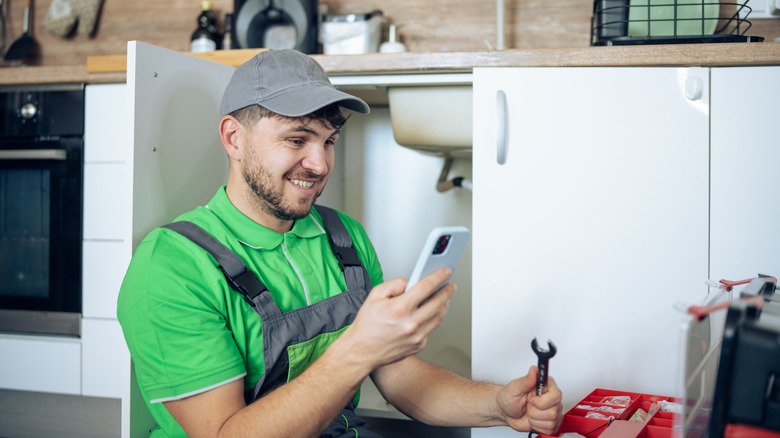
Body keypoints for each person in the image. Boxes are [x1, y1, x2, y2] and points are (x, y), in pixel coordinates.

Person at [117, 49, 563, 438]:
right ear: (234, 138)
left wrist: (498, 406)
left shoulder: (342, 237)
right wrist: (359, 348)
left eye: (328, 141)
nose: (319, 164)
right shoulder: (173, 267)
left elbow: (397, 374)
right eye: (297, 139)